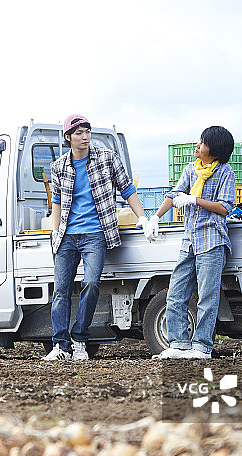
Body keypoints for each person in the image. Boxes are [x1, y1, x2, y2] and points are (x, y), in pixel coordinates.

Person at [43, 114, 152, 361]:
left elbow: (127, 189)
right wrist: (55, 231)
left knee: (91, 283)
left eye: (87, 132)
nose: (85, 137)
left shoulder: (107, 158)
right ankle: (60, 346)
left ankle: (79, 339)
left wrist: (143, 218)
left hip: (95, 233)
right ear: (68, 137)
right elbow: (57, 200)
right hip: (67, 235)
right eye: (79, 133)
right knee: (60, 290)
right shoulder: (59, 166)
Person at [146, 125, 236, 359]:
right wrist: (155, 218)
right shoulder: (191, 168)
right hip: (190, 241)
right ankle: (178, 344)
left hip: (212, 242)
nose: (197, 145)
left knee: (207, 296)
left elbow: (225, 207)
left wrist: (194, 200)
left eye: (203, 143)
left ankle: (202, 347)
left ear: (214, 151)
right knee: (176, 293)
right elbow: (174, 194)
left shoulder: (225, 172)